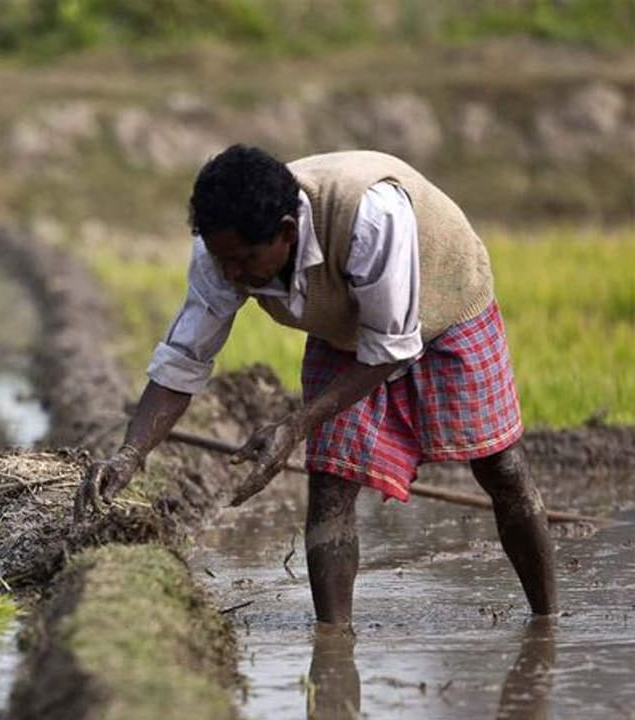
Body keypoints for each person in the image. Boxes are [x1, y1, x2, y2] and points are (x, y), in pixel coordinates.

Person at [76, 145, 556, 626]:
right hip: (343, 330)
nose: (232, 276)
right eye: (224, 262)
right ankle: (334, 639)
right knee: (331, 480)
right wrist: (131, 454)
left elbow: (391, 347)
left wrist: (294, 426)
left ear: (286, 232)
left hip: (447, 299)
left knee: (500, 465)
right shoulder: (221, 252)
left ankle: (547, 622)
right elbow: (185, 357)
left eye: (242, 261)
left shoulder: (370, 217)